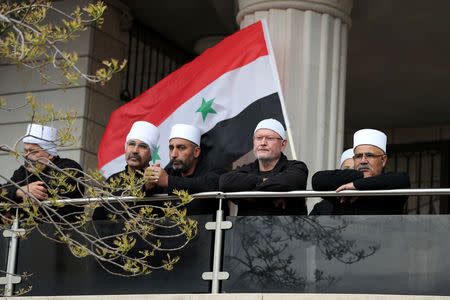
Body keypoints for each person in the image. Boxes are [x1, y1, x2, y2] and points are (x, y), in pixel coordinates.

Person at [219, 118, 308, 215]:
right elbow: (224, 182)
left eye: (269, 138)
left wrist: (249, 194)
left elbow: (286, 183)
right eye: (259, 138)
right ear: (253, 141)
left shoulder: (297, 168)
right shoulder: (246, 169)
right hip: (248, 229)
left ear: (283, 144)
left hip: (286, 229)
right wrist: (267, 187)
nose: (263, 143)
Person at [311, 128, 410, 215]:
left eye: (369, 155)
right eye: (358, 156)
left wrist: (358, 185)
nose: (363, 161)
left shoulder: (389, 188)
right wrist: (360, 177)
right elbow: (317, 180)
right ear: (354, 160)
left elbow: (403, 180)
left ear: (383, 160)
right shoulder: (344, 187)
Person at [1, 123, 84, 218]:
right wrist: (19, 191)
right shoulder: (22, 172)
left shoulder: (68, 167)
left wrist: (14, 196)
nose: (27, 156)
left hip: (60, 229)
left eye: (33, 151)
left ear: (50, 154)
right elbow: (3, 191)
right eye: (25, 151)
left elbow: (42, 193)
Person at [147, 124, 225, 214]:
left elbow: (210, 184)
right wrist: (147, 186)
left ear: (196, 152)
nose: (174, 154)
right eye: (171, 148)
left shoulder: (213, 169)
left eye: (181, 148)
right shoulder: (170, 171)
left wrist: (169, 181)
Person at [106, 121, 159, 197]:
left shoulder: (157, 183)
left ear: (151, 155)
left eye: (142, 146)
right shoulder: (112, 181)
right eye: (131, 144)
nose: (135, 150)